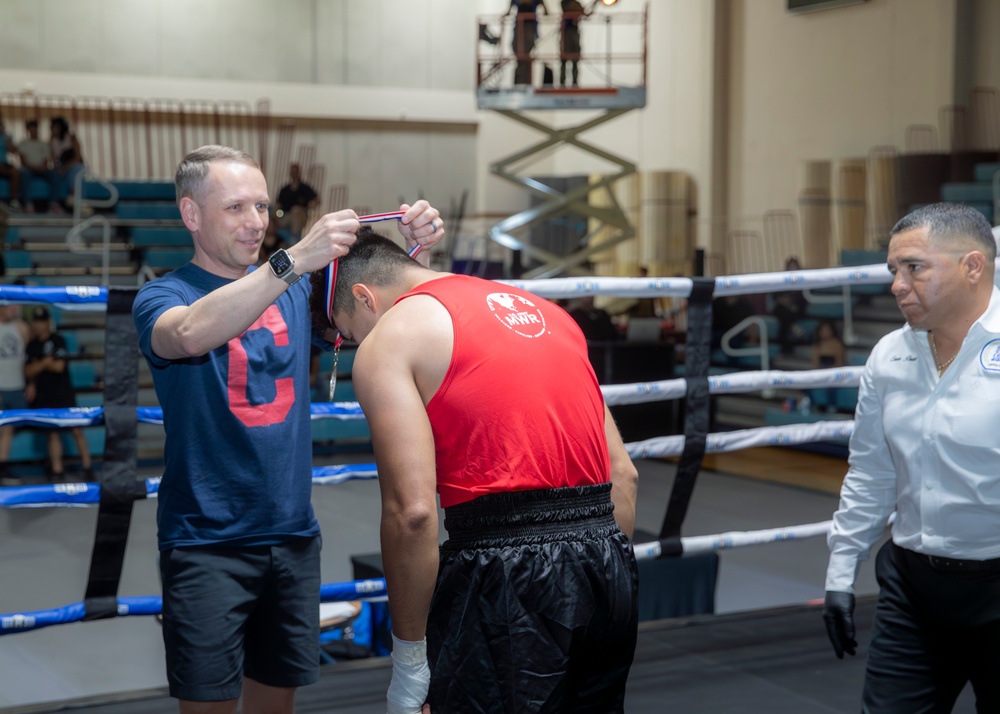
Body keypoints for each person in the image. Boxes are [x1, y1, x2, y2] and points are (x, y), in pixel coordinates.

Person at [131, 144, 442, 713]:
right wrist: (292, 260)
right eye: (235, 209)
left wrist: (416, 244)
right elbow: (188, 335)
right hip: (206, 543)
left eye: (261, 207)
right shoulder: (164, 295)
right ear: (191, 214)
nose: (255, 223)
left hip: (292, 539)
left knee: (277, 706)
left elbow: (388, 307)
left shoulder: (301, 290)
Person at [310, 229, 639, 713]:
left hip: (503, 575)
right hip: (607, 560)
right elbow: (624, 475)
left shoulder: (393, 337)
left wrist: (408, 664)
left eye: (349, 333)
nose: (357, 343)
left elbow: (413, 513)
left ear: (364, 296)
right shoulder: (550, 313)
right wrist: (607, 578)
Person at [823, 202, 1000, 712]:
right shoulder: (889, 355)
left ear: (972, 266)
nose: (898, 285)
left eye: (914, 268)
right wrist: (841, 571)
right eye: (893, 271)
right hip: (913, 589)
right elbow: (871, 471)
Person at [23, 306, 94, 482]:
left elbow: (59, 366)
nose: (39, 325)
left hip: (63, 392)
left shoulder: (58, 340)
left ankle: (88, 468)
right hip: (44, 394)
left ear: (48, 322)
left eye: (42, 321)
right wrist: (46, 362)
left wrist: (39, 364)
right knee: (52, 433)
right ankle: (58, 471)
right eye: (36, 321)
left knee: (76, 430)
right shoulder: (32, 345)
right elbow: (28, 371)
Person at [0, 303, 28, 485]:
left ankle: (2, 466)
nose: (16, 309)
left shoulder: (22, 327)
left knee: (9, 429)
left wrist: (31, 383)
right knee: (5, 428)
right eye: (12, 306)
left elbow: (26, 357)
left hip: (17, 386)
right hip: (1, 386)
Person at [48, 116, 85, 212]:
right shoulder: (52, 141)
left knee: (76, 171)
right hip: (61, 167)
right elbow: (52, 159)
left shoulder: (71, 138)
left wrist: (66, 167)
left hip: (73, 165)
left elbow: (77, 157)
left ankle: (76, 199)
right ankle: (54, 203)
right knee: (54, 175)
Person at [275, 163, 320, 243]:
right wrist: (277, 216)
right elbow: (278, 206)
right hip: (286, 216)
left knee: (296, 211)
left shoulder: (305, 188)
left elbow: (317, 200)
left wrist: (307, 208)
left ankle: (294, 240)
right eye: (292, 171)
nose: (294, 173)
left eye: (295, 171)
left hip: (300, 216)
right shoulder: (284, 189)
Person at [507, 0, 549, 85]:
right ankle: (520, 80)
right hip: (520, 26)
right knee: (519, 53)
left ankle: (524, 81)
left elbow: (541, 2)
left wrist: (546, 10)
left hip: (529, 26)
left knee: (525, 54)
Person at [809, 319, 846, 412]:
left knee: (831, 385)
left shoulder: (837, 344)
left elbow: (839, 363)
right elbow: (815, 364)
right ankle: (813, 405)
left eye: (827, 330)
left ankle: (832, 406)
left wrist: (829, 374)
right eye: (823, 330)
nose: (825, 332)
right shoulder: (817, 345)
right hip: (821, 372)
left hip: (834, 373)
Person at [17, 119, 52, 212]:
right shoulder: (23, 143)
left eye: (35, 129)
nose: (34, 131)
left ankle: (54, 203)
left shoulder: (44, 144)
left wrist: (41, 167)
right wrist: (33, 167)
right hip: (28, 169)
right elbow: (23, 161)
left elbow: (46, 161)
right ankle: (28, 203)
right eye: (31, 129)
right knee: (24, 173)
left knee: (55, 174)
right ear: (28, 130)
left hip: (42, 169)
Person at [559, 0, 588, 87]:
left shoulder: (576, 4)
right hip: (566, 32)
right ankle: (562, 83)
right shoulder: (565, 2)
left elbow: (585, 14)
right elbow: (568, 8)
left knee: (575, 59)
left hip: (574, 31)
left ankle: (575, 83)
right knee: (564, 59)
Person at [0, 117, 23, 210]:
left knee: (15, 172)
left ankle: (13, 201)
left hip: (4, 164)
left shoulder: (6, 136)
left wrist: (7, 139)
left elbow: (13, 151)